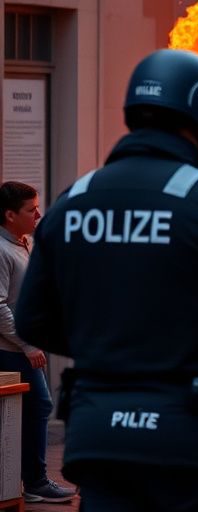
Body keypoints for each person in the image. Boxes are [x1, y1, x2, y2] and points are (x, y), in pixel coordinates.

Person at [14, 49, 198, 511]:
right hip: (190, 438)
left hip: (98, 437)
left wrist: (110, 343)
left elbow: (33, 320)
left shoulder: (74, 200)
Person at [0, 182, 77, 504]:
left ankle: (27, 480)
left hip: (23, 348)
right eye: (31, 210)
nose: (38, 215)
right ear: (9, 214)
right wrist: (27, 344)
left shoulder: (23, 243)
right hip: (12, 351)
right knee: (38, 407)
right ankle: (34, 481)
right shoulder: (2, 251)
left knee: (36, 408)